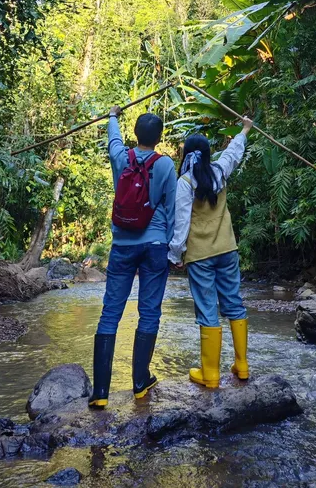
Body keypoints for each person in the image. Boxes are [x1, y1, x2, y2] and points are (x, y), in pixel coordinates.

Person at [89, 107, 177, 409]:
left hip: (122, 244)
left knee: (110, 313)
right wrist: (173, 248)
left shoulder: (121, 157)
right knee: (149, 312)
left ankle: (101, 392)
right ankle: (140, 383)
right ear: (159, 137)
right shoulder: (165, 164)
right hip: (155, 244)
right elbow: (172, 209)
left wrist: (113, 116)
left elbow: (113, 139)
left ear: (135, 134)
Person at [168, 117, 252, 388]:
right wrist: (245, 129)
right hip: (227, 248)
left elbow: (182, 223)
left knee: (207, 310)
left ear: (186, 155)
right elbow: (233, 153)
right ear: (207, 154)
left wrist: (175, 255)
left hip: (200, 255)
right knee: (234, 303)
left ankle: (211, 374)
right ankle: (242, 366)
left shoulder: (185, 183)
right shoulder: (219, 171)